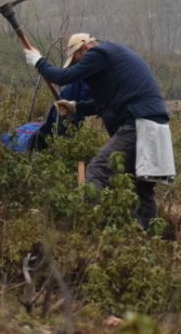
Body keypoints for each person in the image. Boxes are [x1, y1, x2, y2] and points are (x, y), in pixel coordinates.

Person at [25, 32, 172, 228]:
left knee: (97, 171)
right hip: (155, 126)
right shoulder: (114, 58)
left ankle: (93, 228)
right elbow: (106, 103)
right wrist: (76, 107)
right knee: (142, 188)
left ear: (84, 48)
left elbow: (62, 78)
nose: (80, 67)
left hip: (138, 124)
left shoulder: (98, 53)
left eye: (77, 61)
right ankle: (147, 236)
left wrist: (38, 61)